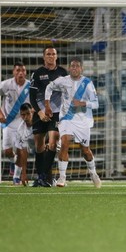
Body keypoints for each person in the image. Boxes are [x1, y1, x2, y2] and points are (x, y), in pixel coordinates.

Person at [44, 57, 101, 188]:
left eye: (77, 66)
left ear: (82, 68)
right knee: (64, 142)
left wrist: (82, 103)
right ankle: (62, 177)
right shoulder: (63, 81)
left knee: (85, 151)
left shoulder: (87, 83)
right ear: (69, 68)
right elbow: (49, 87)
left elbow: (96, 104)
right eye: (72, 66)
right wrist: (47, 105)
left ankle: (93, 173)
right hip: (66, 119)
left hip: (83, 120)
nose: (74, 68)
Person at [29, 46, 68, 187]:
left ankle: (45, 176)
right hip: (40, 112)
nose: (51, 56)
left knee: (53, 142)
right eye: (48, 54)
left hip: (57, 113)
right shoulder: (37, 73)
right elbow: (32, 96)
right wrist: (39, 112)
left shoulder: (63, 73)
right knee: (39, 145)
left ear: (56, 56)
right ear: (44, 57)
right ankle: (40, 176)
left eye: (53, 54)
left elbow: (68, 93)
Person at [0, 62, 30, 185]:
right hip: (8, 120)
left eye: (23, 70)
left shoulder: (30, 86)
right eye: (18, 70)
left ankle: (16, 177)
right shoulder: (6, 84)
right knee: (7, 151)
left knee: (20, 148)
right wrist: (1, 114)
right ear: (14, 72)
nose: (20, 73)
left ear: (26, 72)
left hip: (22, 121)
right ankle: (14, 162)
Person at [14, 103, 36, 186]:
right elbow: (24, 151)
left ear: (32, 112)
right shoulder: (20, 129)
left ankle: (49, 178)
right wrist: (24, 173)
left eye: (28, 114)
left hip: (45, 143)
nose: (26, 117)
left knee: (47, 150)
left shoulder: (40, 121)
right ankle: (16, 176)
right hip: (31, 146)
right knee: (19, 153)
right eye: (23, 115)